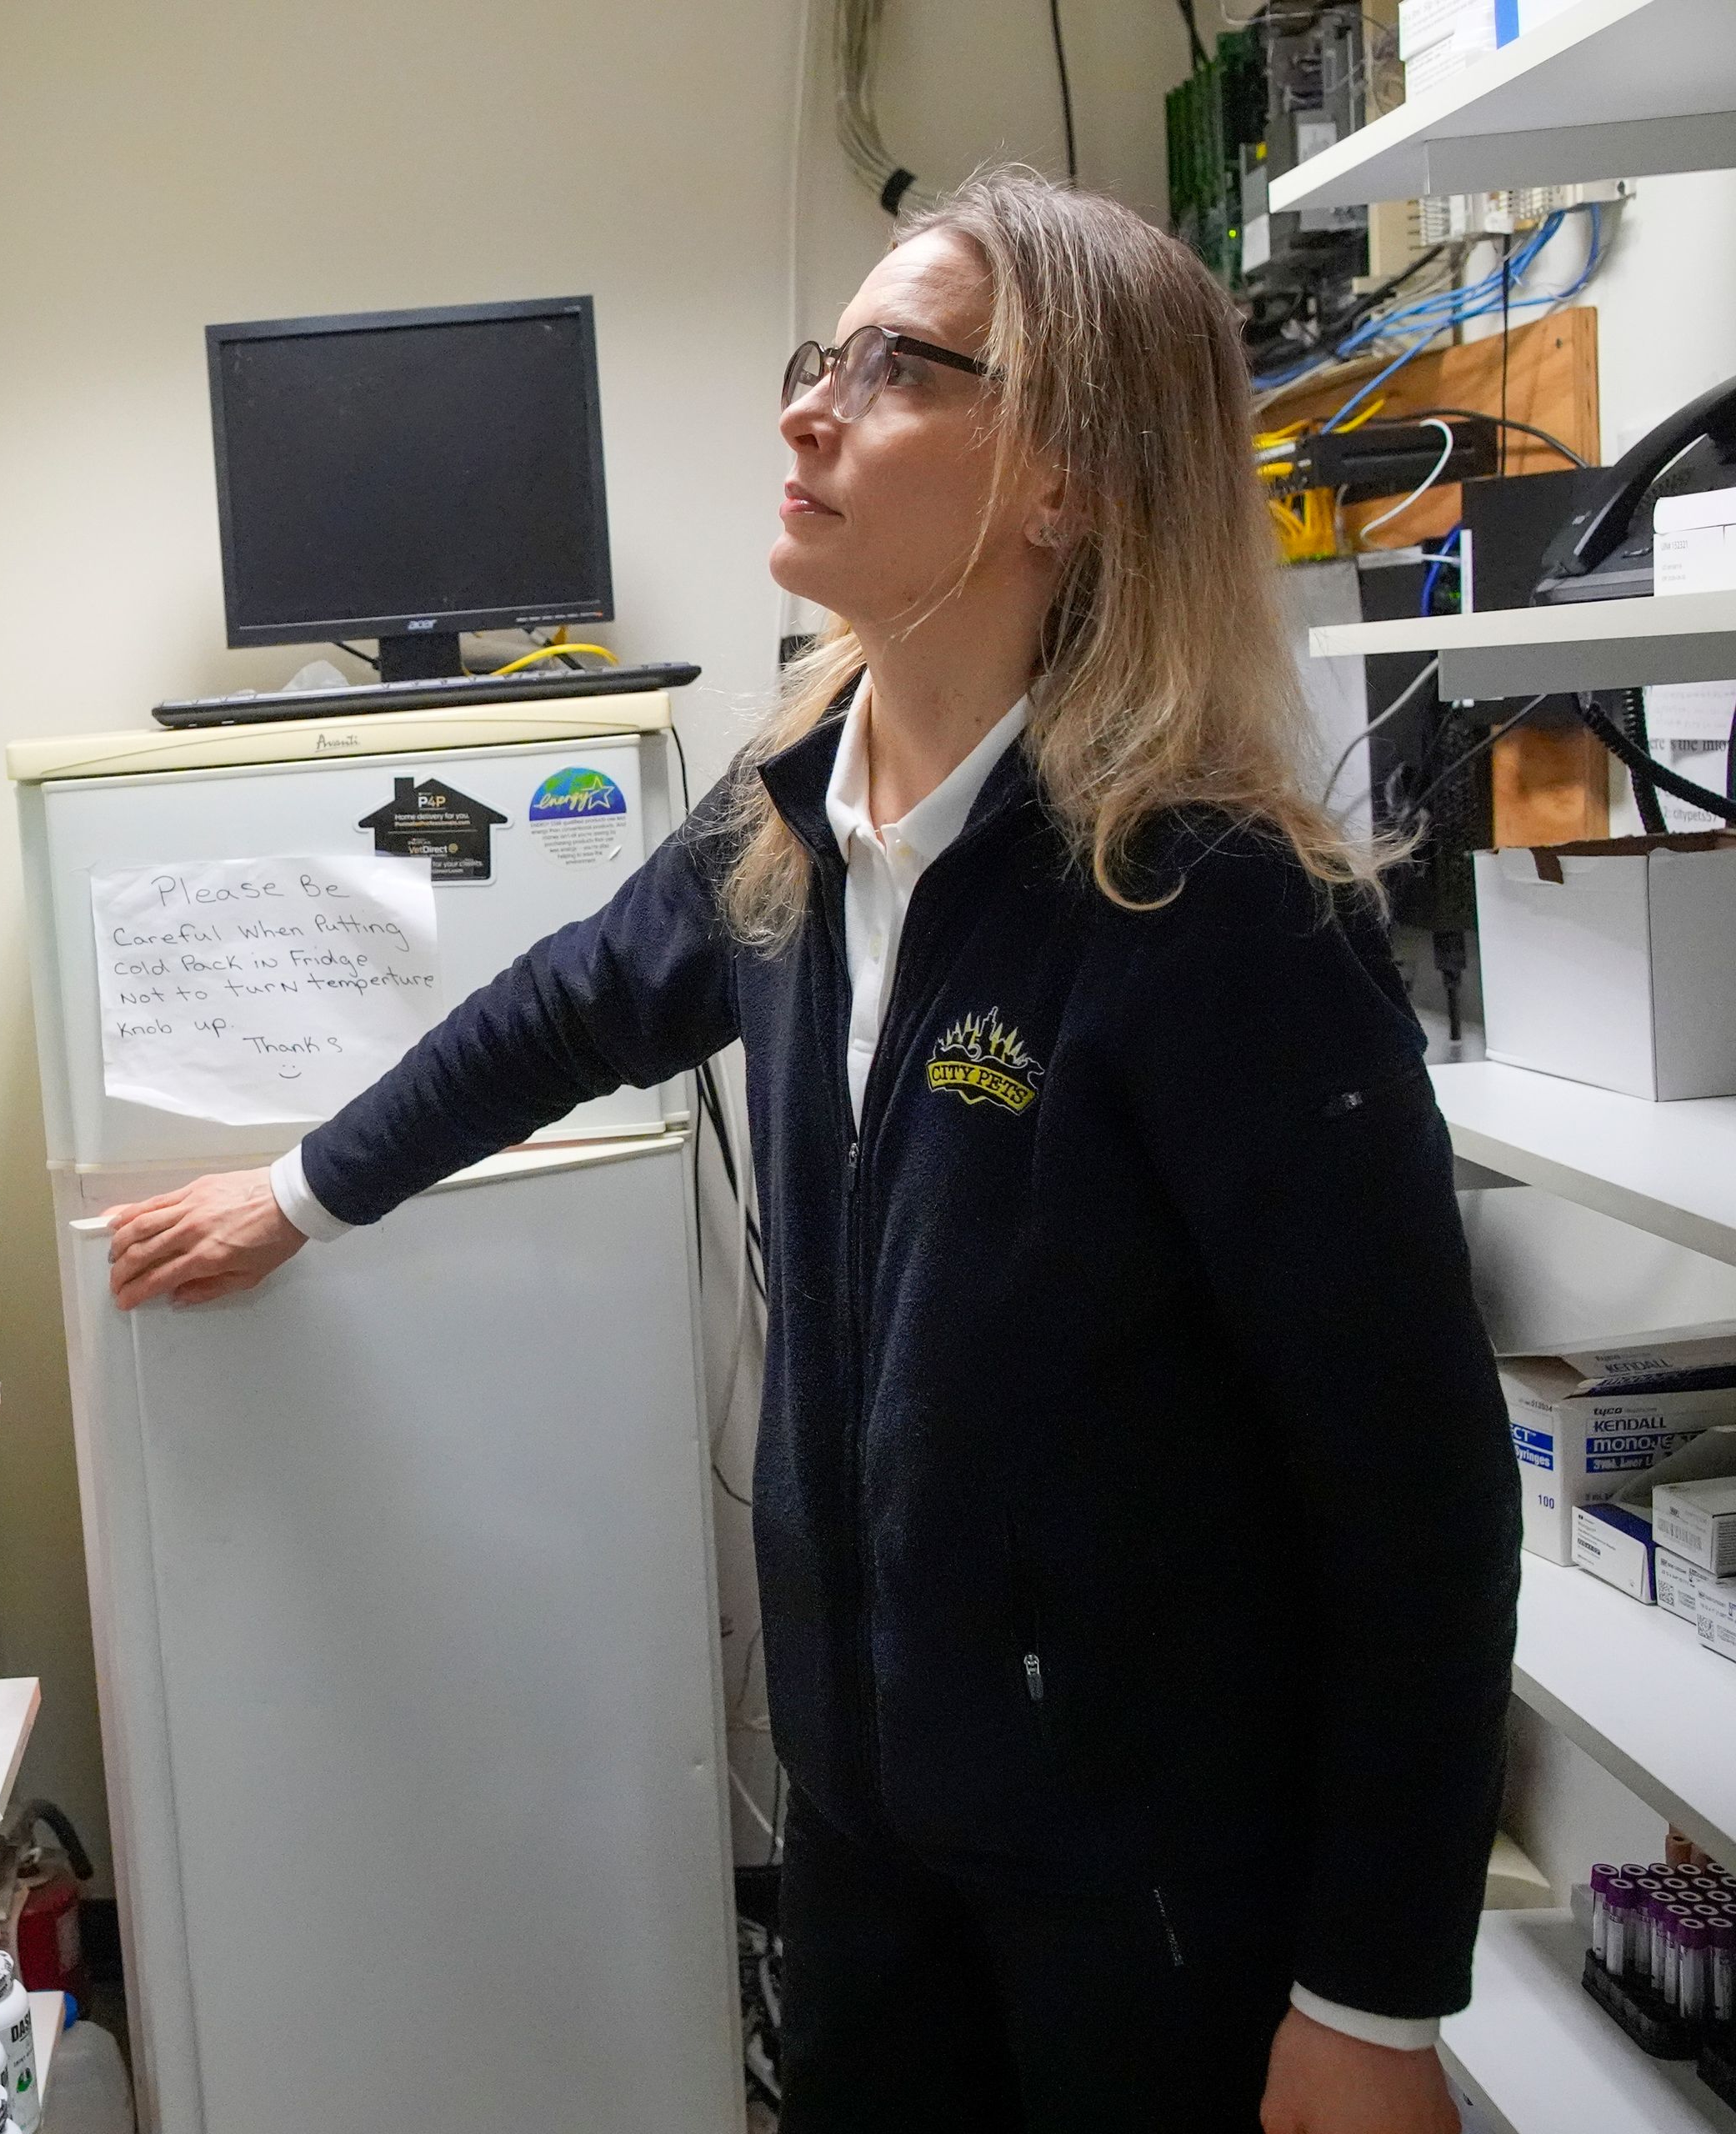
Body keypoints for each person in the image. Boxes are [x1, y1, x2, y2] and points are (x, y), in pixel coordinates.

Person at [103, 168, 1515, 2134]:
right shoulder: (789, 830)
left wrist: (1372, 1994)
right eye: (819, 358)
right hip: (868, 1828)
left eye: (903, 368)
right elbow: (562, 1007)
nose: (809, 408)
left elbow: (1418, 1495)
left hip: (1153, 1890)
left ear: (1071, 484)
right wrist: (300, 1189)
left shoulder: (1218, 912)